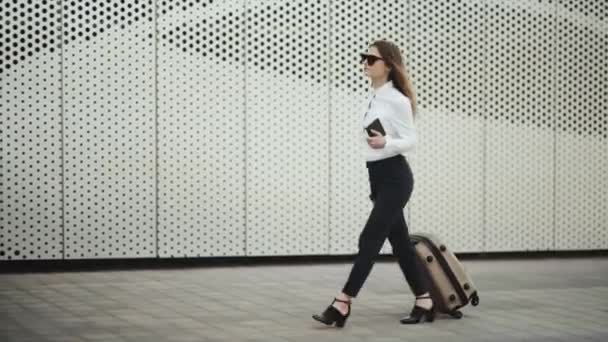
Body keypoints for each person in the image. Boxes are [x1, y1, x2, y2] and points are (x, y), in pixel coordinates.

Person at [313, 40, 434, 327]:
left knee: (369, 238)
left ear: (388, 65)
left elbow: (412, 140)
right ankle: (425, 300)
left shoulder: (397, 99)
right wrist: (375, 142)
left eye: (372, 58)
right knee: (401, 245)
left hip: (396, 178)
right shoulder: (375, 96)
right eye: (363, 57)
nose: (365, 62)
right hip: (378, 178)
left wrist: (386, 141)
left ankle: (342, 303)